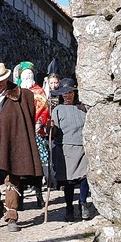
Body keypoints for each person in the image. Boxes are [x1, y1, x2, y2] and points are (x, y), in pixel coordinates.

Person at [0, 62, 43, 232]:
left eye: (0, 80)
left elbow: (28, 118)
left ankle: (12, 216)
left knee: (12, 179)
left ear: (6, 78)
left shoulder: (20, 95)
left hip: (13, 143)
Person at [51, 78, 92, 221]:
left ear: (74, 93)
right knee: (68, 180)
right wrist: (51, 128)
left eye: (70, 92)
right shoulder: (57, 110)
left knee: (84, 178)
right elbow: (54, 132)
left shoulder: (83, 108)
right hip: (65, 148)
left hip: (82, 147)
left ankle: (83, 203)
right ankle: (69, 207)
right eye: (64, 93)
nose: (67, 95)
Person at [15, 61, 49, 209]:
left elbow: (44, 109)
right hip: (20, 133)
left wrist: (40, 122)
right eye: (25, 74)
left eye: (30, 74)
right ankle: (20, 198)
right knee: (20, 165)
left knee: (36, 165)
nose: (28, 76)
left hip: (35, 131)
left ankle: (39, 195)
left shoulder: (39, 92)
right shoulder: (16, 91)